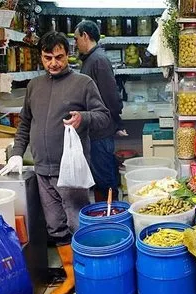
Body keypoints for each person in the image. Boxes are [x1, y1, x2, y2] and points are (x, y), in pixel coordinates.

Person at [0, 31, 111, 294]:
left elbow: (104, 117)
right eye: (48, 58)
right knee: (55, 226)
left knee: (77, 223)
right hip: (42, 170)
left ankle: (89, 275)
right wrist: (16, 153)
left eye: (59, 57)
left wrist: (83, 118)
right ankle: (71, 276)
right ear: (41, 57)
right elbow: (25, 123)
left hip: (70, 171)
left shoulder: (83, 83)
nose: (54, 63)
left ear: (68, 53)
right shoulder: (34, 86)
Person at [74, 20, 125, 202]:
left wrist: (117, 121)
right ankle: (104, 214)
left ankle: (111, 217)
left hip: (101, 131)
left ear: (85, 36)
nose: (75, 43)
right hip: (94, 131)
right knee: (100, 178)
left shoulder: (98, 60)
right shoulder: (90, 60)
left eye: (76, 38)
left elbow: (111, 95)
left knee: (105, 179)